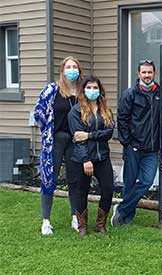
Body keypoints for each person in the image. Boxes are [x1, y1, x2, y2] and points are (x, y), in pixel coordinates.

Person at [33, 56, 81, 235]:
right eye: (68, 67)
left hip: (75, 142)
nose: (71, 69)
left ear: (79, 70)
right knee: (49, 179)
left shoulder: (82, 90)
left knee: (75, 180)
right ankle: (46, 220)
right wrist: (47, 127)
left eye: (74, 66)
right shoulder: (52, 89)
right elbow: (38, 110)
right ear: (62, 70)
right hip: (55, 141)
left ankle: (76, 217)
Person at [111, 60, 161, 226]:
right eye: (144, 72)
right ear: (138, 74)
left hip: (152, 149)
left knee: (146, 182)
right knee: (130, 183)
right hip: (133, 147)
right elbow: (122, 119)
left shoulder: (160, 93)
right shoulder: (130, 94)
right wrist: (127, 143)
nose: (147, 75)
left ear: (154, 73)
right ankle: (125, 219)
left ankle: (121, 208)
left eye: (150, 72)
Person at [68, 75, 115, 236]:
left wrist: (89, 135)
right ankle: (82, 226)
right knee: (82, 191)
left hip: (102, 157)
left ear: (100, 90)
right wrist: (86, 159)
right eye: (89, 88)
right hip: (82, 159)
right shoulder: (76, 111)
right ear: (83, 90)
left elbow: (108, 132)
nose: (92, 91)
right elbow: (77, 138)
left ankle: (100, 225)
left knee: (108, 189)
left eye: (95, 88)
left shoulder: (105, 110)